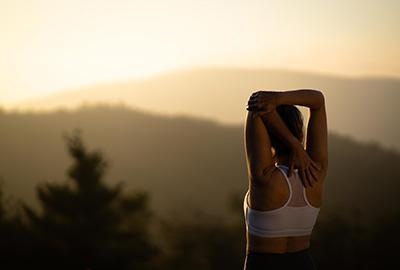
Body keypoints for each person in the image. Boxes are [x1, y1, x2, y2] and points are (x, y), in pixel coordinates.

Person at [243, 89, 328, 270]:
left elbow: (256, 106)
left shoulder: (264, 178)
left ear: (268, 137)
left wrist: (294, 145)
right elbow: (318, 101)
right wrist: (279, 98)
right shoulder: (316, 173)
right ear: (301, 132)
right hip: (304, 263)